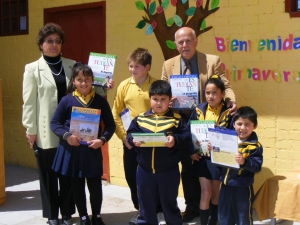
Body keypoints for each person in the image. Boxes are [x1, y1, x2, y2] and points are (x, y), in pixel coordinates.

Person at [161, 26, 237, 222]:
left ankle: (213, 208)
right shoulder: (168, 64)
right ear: (176, 44)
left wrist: (230, 101)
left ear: (195, 41)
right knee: (187, 165)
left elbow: (224, 85)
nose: (184, 45)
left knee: (207, 163)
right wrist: (166, 100)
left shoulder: (212, 61)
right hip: (181, 120)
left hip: (205, 118)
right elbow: (163, 89)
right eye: (180, 42)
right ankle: (192, 206)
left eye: (188, 41)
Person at [22, 22, 76, 225]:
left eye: (57, 41)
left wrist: (104, 86)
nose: (54, 45)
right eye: (49, 41)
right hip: (45, 132)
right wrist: (30, 130)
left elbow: (86, 91)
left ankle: (68, 213)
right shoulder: (32, 69)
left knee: (68, 175)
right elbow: (29, 102)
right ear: (41, 44)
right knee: (48, 175)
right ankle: (53, 215)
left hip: (70, 129)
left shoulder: (72, 65)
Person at [50, 63, 116, 225]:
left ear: (92, 80)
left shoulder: (99, 100)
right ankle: (84, 216)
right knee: (77, 184)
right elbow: (55, 123)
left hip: (92, 150)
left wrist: (102, 140)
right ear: (73, 81)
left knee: (95, 185)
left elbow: (110, 125)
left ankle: (97, 216)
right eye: (79, 79)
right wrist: (67, 136)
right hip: (73, 150)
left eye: (87, 79)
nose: (84, 83)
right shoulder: (66, 100)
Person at [112, 48, 167, 224]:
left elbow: (163, 110)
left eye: (137, 66)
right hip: (131, 141)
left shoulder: (156, 85)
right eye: (130, 66)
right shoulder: (123, 86)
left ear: (147, 67)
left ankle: (157, 210)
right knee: (131, 176)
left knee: (153, 176)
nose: (132, 69)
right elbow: (116, 112)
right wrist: (123, 137)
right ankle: (140, 210)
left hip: (153, 140)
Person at [126, 80, 192, 225]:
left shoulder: (177, 120)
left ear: (170, 100)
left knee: (169, 205)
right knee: (145, 206)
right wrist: (133, 140)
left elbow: (187, 138)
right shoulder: (140, 118)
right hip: (144, 171)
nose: (159, 103)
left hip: (168, 172)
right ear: (149, 99)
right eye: (155, 99)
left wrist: (175, 140)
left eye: (163, 99)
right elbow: (130, 134)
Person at [189, 76, 233, 225]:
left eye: (214, 93)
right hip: (202, 158)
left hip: (219, 159)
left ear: (222, 94)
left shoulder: (228, 113)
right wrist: (192, 150)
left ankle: (214, 221)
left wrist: (218, 145)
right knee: (205, 192)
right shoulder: (198, 110)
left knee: (215, 193)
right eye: (207, 93)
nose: (210, 96)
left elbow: (232, 136)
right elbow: (189, 132)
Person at [213, 106, 263, 225]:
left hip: (242, 188)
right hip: (225, 186)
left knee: (243, 219)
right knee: (224, 217)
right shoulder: (227, 140)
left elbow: (257, 166)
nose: (242, 128)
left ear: (254, 126)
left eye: (247, 124)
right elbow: (219, 162)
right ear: (233, 124)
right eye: (239, 124)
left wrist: (244, 162)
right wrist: (214, 150)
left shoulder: (255, 146)